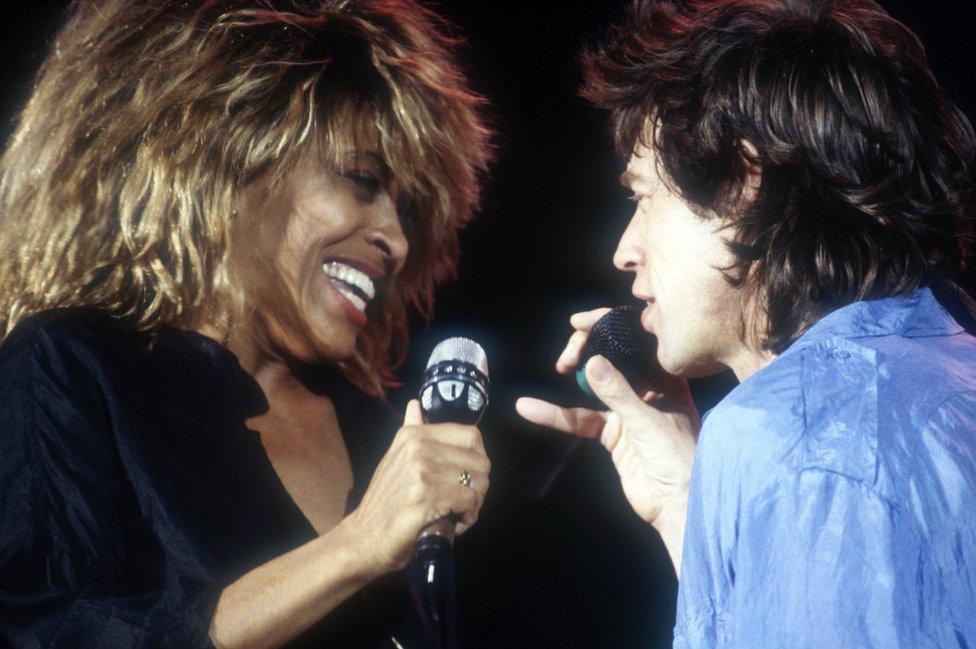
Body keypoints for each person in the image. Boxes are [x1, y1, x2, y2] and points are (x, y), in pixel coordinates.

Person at [0, 1, 492, 647]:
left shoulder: (384, 430)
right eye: (362, 181)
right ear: (229, 157)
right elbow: (53, 631)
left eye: (406, 211)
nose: (397, 240)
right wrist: (357, 545)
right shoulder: (69, 372)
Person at [517, 0, 976, 646]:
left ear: (742, 183)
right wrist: (687, 501)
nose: (624, 248)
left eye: (644, 197)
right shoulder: (950, 364)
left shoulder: (788, 434)